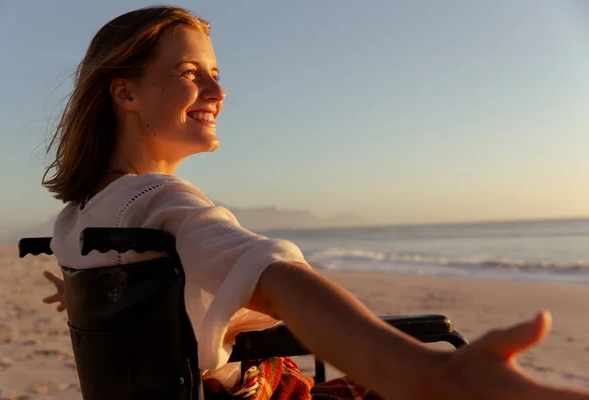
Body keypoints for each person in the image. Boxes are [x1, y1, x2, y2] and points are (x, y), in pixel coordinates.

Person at [39, 5, 589, 399]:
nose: (217, 91)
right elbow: (275, 277)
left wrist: (82, 294)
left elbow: (116, 283)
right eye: (189, 74)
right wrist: (427, 374)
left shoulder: (81, 216)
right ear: (126, 92)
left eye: (215, 73)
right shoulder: (165, 202)